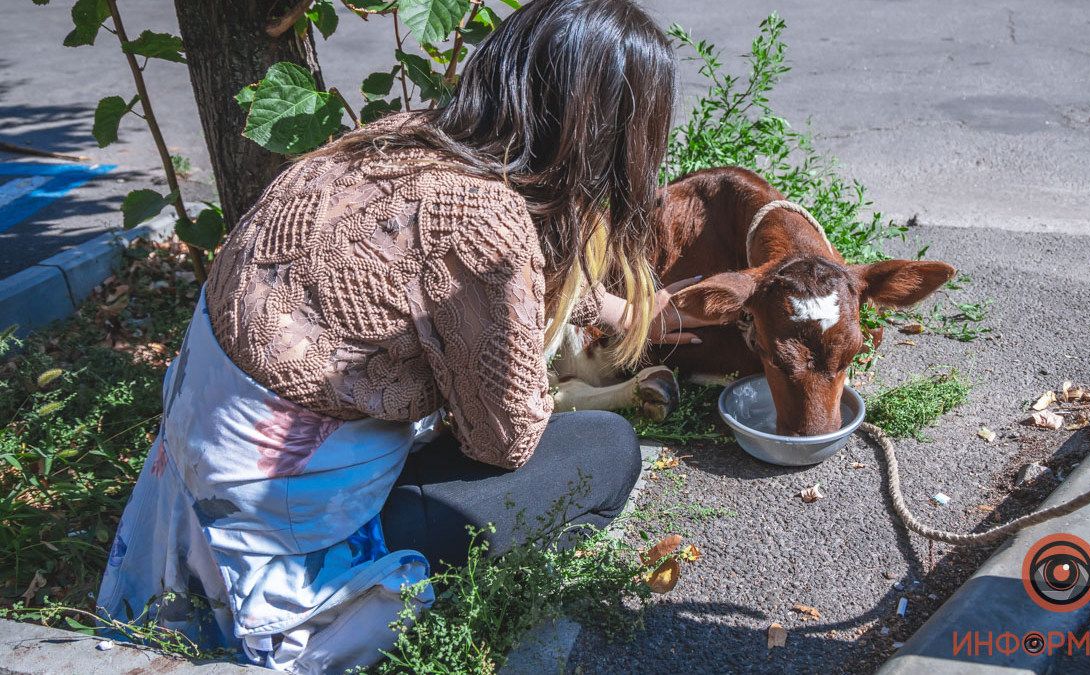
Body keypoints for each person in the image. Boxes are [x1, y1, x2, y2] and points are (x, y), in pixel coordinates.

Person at [97, 0, 708, 671]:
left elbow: (469, 263)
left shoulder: (399, 140)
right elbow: (505, 442)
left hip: (196, 504)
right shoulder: (485, 220)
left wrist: (619, 311)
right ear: (611, 134)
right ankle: (486, 606)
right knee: (607, 450)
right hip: (291, 553)